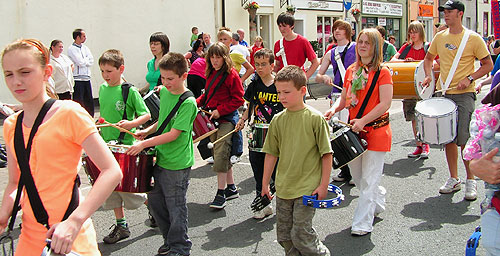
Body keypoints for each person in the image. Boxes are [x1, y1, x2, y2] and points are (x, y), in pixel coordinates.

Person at [0, 38, 122, 255]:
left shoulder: (69, 113)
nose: (16, 81)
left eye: (25, 72)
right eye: (9, 74)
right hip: (29, 240)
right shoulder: (11, 125)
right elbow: (15, 182)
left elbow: (111, 171)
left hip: (70, 238)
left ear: (47, 72)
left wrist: (74, 222)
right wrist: (3, 213)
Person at [126, 52, 197, 256]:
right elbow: (164, 120)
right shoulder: (165, 92)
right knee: (157, 203)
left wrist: (145, 143)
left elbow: (174, 134)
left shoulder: (188, 102)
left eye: (170, 79)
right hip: (161, 156)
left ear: (184, 76)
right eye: (163, 78)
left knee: (176, 207)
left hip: (177, 162)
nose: (166, 83)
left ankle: (181, 246)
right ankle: (169, 240)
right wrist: (147, 131)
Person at [422, 0, 493, 201]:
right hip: (445, 93)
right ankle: (454, 178)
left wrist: (470, 78)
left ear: (460, 14)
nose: (446, 14)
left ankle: (471, 180)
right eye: (444, 11)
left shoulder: (473, 38)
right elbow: (428, 58)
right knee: (448, 138)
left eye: (450, 11)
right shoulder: (439, 37)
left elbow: (487, 64)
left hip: (465, 94)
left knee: (464, 138)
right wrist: (428, 75)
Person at [325, 28, 393, 236]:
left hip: (376, 131)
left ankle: (362, 223)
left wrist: (363, 120)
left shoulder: (383, 72)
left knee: (369, 179)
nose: (362, 46)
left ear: (376, 47)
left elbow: (386, 103)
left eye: (368, 43)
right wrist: (334, 108)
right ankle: (377, 199)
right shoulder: (351, 70)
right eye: (360, 41)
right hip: (354, 132)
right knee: (360, 177)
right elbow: (344, 98)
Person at [261, 65, 332, 255]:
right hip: (284, 188)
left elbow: (327, 154)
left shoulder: (315, 119)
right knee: (284, 236)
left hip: (307, 188)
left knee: (301, 233)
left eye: (286, 92)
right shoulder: (277, 120)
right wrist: (265, 183)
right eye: (278, 92)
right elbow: (271, 153)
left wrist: (323, 185)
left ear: (302, 91)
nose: (281, 97)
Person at [97, 49, 152, 244]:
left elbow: (146, 115)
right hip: (106, 146)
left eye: (109, 71)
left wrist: (130, 124)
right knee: (111, 188)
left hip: (125, 145)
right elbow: (105, 112)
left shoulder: (129, 91)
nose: (105, 76)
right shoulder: (103, 88)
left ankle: (153, 207)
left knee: (129, 189)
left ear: (121, 69)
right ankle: (122, 225)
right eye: (102, 71)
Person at [235, 49, 283, 219]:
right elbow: (250, 106)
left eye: (264, 64)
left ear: (272, 65)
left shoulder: (280, 83)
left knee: (277, 170)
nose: (260, 67)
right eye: (257, 64)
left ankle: (274, 199)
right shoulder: (254, 83)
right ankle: (263, 202)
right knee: (258, 167)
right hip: (258, 130)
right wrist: (242, 119)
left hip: (278, 132)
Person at [197, 42, 245, 209]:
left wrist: (220, 110)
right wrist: (195, 103)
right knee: (221, 153)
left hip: (227, 119)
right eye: (212, 57)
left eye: (218, 57)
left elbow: (239, 99)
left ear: (225, 58)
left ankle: (220, 193)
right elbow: (207, 96)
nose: (215, 60)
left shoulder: (232, 75)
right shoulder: (211, 74)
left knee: (221, 154)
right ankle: (231, 187)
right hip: (213, 119)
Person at [315, 19, 356, 184]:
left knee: (351, 130)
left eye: (341, 29)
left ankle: (355, 170)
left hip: (353, 94)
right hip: (336, 94)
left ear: (347, 31)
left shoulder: (355, 48)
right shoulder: (330, 52)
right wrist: (323, 77)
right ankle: (345, 170)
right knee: (338, 132)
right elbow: (318, 75)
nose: (337, 31)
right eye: (335, 29)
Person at [390, 21, 432, 159]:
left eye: (415, 32)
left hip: (424, 88)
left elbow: (437, 62)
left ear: (421, 33)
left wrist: (419, 64)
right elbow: (393, 60)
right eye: (411, 32)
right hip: (410, 88)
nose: (412, 35)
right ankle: (418, 145)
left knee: (424, 117)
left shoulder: (428, 47)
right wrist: (405, 62)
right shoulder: (406, 47)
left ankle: (426, 144)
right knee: (414, 118)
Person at [273, 12, 319, 79]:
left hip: (298, 80)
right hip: (283, 82)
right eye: (279, 26)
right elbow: (277, 65)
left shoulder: (303, 41)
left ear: (292, 26)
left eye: (284, 26)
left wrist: (305, 78)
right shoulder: (278, 44)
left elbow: (315, 63)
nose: (281, 29)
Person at [67, 28, 94, 117]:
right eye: (83, 36)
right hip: (77, 78)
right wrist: (85, 60)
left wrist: (85, 60)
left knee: (88, 100)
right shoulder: (71, 49)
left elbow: (91, 60)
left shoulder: (85, 48)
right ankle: (79, 117)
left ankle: (90, 117)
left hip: (86, 78)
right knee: (79, 100)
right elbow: (80, 62)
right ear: (77, 37)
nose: (85, 38)